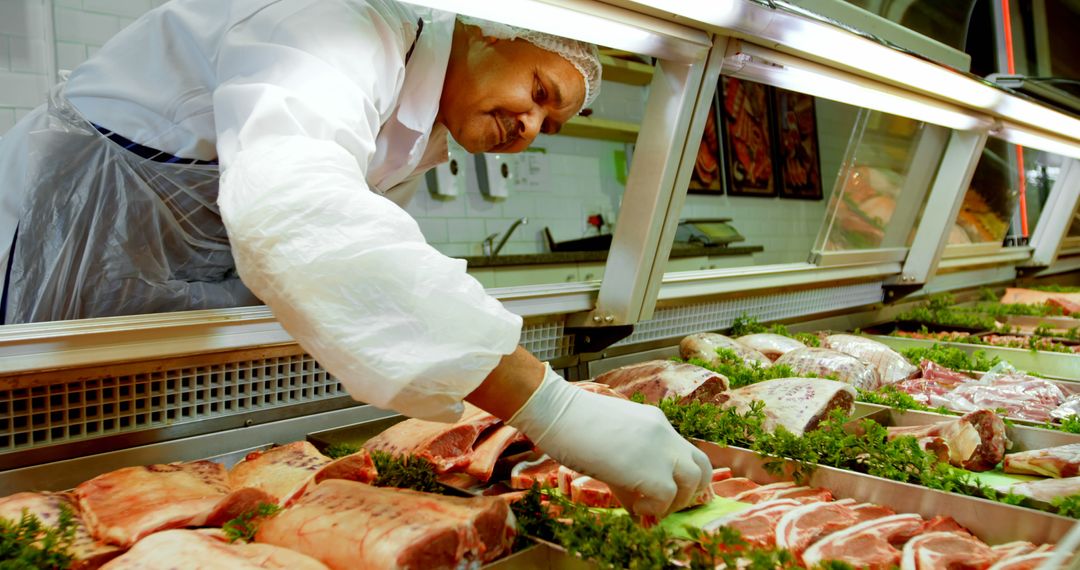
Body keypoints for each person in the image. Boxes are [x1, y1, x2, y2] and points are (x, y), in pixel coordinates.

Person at [0, 0, 711, 517]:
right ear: (491, 23)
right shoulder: (342, 26)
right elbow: (296, 210)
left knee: (160, 482)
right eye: (538, 91)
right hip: (72, 239)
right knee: (44, 471)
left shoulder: (428, 122)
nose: (530, 126)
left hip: (194, 286)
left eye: (549, 124)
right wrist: (553, 409)